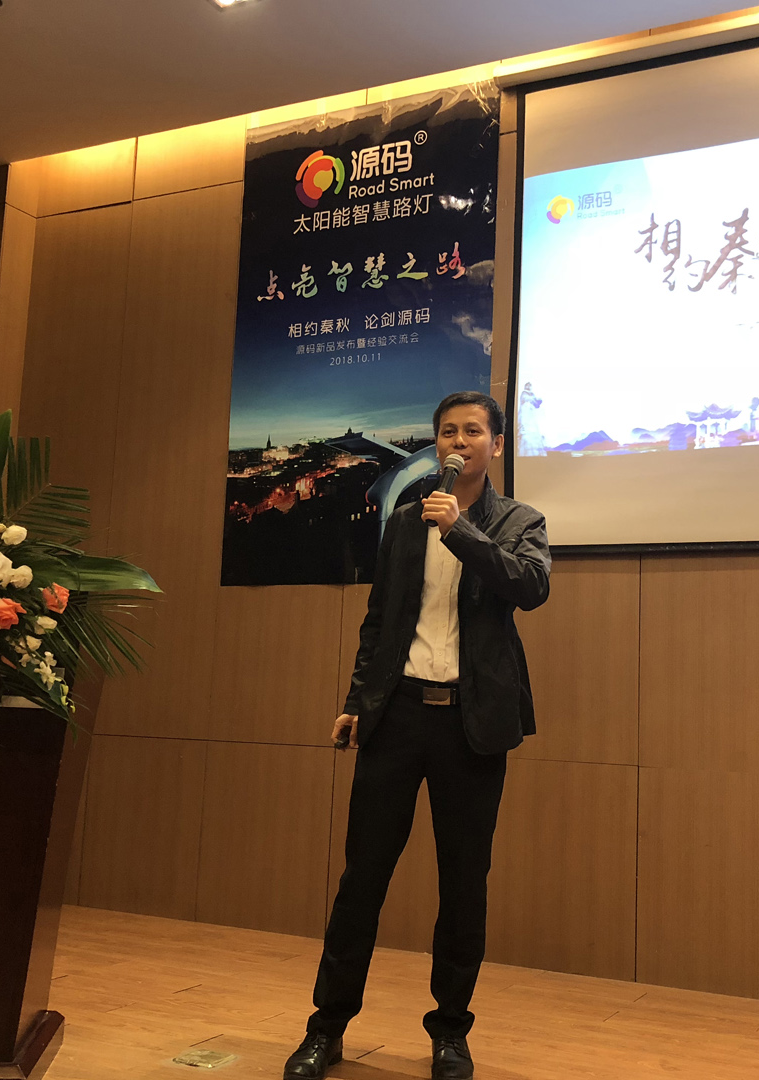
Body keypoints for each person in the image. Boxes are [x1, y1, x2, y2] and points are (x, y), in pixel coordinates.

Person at [282, 391, 551, 1080]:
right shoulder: (405, 522)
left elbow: (530, 586)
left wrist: (460, 530)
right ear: (436, 444)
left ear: (495, 444)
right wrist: (357, 701)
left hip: (472, 725)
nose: (458, 441)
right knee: (362, 878)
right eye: (447, 431)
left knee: (463, 885)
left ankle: (450, 1033)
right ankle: (325, 1028)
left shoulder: (519, 521)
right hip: (397, 715)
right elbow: (381, 620)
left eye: (472, 431)